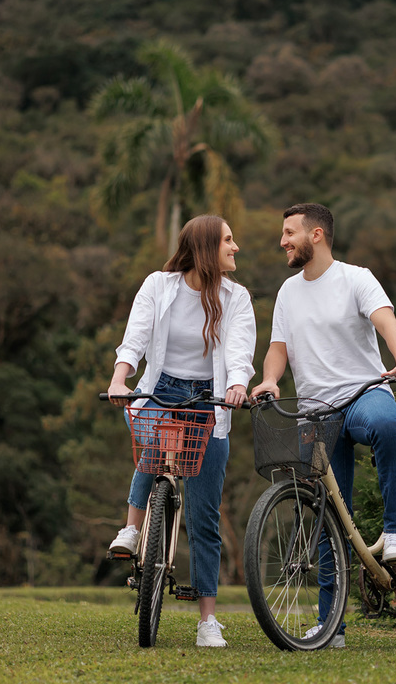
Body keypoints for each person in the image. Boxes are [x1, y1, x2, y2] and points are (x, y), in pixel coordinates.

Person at [250, 203, 396, 648]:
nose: (282, 241)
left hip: (363, 393)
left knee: (385, 424)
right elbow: (279, 348)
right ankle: (331, 627)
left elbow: (387, 322)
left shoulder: (356, 278)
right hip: (316, 411)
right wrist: (269, 379)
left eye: (290, 233)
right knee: (326, 515)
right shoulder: (288, 292)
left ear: (317, 234)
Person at [106, 215, 255, 648]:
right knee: (152, 438)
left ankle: (207, 621)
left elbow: (240, 349)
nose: (235, 247)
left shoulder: (236, 297)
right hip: (162, 389)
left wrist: (237, 385)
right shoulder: (159, 286)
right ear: (207, 248)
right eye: (228, 240)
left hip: (210, 399)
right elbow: (135, 337)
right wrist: (120, 379)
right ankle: (132, 530)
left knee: (204, 516)